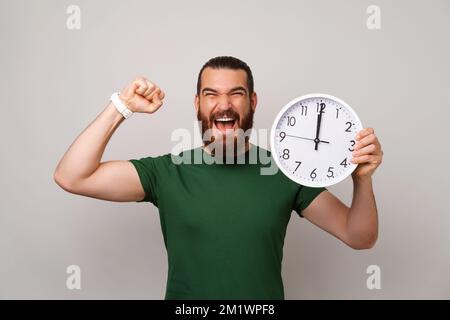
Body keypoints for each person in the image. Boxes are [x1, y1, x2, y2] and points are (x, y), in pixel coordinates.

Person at [54, 56, 383, 300]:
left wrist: (362, 179)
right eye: (211, 94)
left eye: (236, 93)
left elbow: (359, 236)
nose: (223, 105)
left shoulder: (284, 171)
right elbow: (72, 177)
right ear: (198, 105)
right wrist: (121, 106)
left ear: (252, 102)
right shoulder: (167, 172)